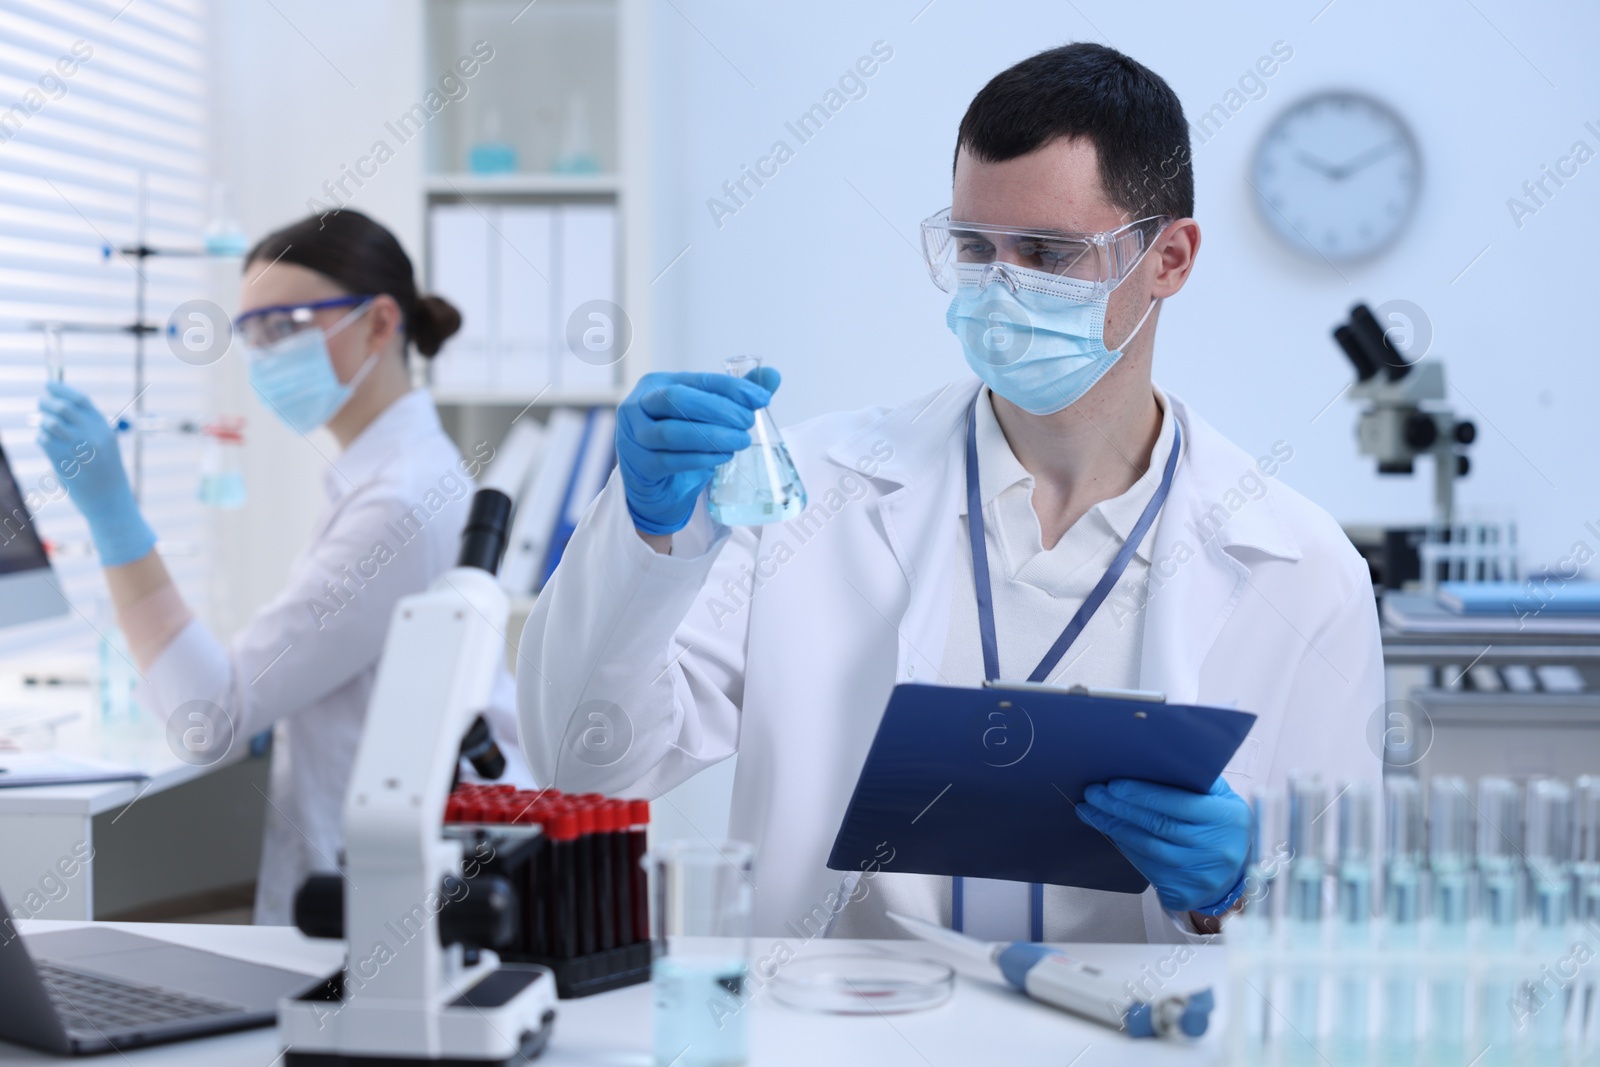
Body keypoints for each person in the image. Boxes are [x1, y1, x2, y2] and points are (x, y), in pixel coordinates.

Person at [517, 43, 1383, 943]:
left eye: (1048, 252)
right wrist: (645, 541)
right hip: (840, 1028)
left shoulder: (1301, 566)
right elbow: (588, 767)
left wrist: (1246, 883)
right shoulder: (815, 498)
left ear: (1168, 258)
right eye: (975, 247)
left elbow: (1357, 929)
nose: (1000, 288)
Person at [36, 210, 529, 925]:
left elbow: (209, 719)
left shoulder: (395, 503)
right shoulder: (390, 474)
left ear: (379, 323)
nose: (265, 353)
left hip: (381, 893)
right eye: (252, 334)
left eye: (287, 324)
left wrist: (114, 519)